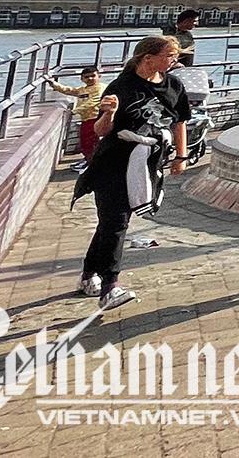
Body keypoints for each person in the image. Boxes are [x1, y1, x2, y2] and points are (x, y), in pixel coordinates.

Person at [69, 36, 191, 310]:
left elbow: (180, 121)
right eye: (170, 55)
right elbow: (101, 131)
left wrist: (181, 156)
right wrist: (109, 114)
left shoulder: (174, 85)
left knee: (112, 223)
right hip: (113, 162)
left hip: (147, 163)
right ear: (148, 58)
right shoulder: (121, 87)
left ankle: (88, 275)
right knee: (116, 221)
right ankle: (110, 287)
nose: (175, 61)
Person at [45, 65, 105, 169]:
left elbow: (93, 102)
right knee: (85, 141)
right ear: (82, 79)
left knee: (91, 141)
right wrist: (54, 84)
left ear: (99, 76)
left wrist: (75, 111)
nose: (90, 78)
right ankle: (89, 160)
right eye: (86, 77)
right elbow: (69, 90)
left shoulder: (100, 88)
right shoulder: (82, 90)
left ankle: (92, 163)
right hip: (86, 119)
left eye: (93, 76)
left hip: (95, 118)